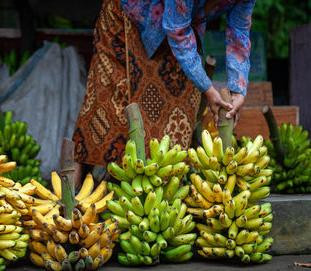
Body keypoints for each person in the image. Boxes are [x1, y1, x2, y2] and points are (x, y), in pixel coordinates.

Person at [72, 0, 254, 188]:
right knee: (107, 102)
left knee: (177, 112)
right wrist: (207, 88)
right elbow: (176, 31)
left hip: (180, 31)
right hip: (128, 19)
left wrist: (238, 89)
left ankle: (163, 194)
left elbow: (239, 29)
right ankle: (70, 194)